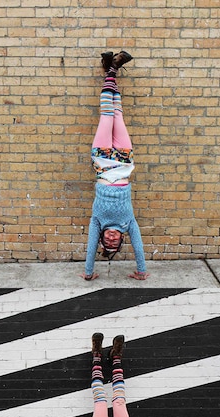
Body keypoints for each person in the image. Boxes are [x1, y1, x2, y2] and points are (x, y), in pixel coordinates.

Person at [81, 51, 149, 282]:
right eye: (114, 243)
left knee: (106, 116)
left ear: (101, 237)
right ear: (121, 239)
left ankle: (111, 68)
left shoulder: (96, 221)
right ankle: (113, 68)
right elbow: (138, 247)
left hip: (101, 161)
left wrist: (89, 273)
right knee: (118, 115)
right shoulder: (128, 222)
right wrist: (141, 272)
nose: (111, 240)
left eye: (106, 242)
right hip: (124, 161)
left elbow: (90, 249)